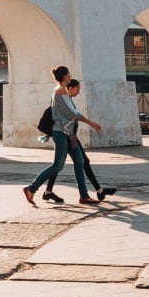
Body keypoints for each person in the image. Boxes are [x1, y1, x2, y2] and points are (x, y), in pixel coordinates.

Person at [24, 66, 102, 208]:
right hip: (60, 134)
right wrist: (92, 123)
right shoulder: (60, 91)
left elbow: (72, 114)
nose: (70, 76)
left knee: (79, 161)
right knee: (58, 165)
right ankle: (31, 188)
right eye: (69, 74)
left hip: (68, 134)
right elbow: (74, 114)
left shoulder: (62, 91)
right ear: (65, 76)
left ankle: (84, 196)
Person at [44, 79, 116, 203]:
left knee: (65, 164)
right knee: (63, 164)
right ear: (70, 88)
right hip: (67, 136)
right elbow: (73, 116)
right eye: (77, 89)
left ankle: (48, 192)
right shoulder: (63, 99)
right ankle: (95, 192)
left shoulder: (66, 99)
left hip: (70, 136)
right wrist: (92, 123)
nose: (78, 91)